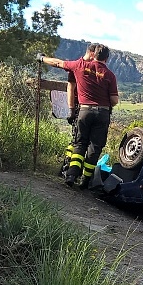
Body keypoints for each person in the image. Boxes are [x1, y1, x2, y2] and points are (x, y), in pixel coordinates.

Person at [38, 43, 119, 188]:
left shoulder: (79, 65)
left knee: (79, 143)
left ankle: (71, 175)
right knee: (95, 148)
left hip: (84, 111)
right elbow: (114, 101)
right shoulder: (110, 75)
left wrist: (42, 58)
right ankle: (85, 181)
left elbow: (58, 63)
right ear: (106, 58)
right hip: (102, 114)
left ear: (93, 55)